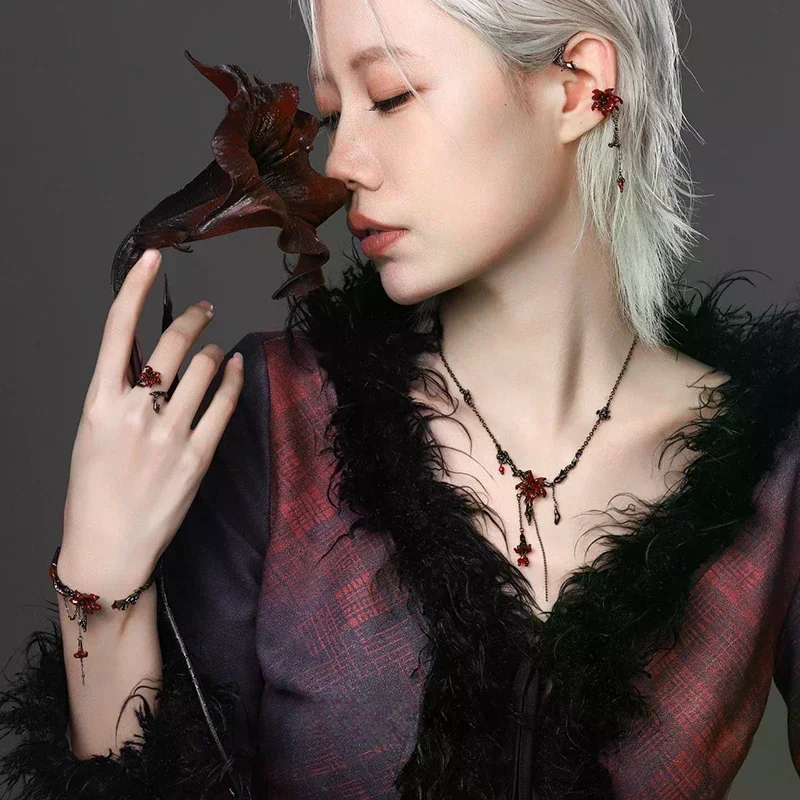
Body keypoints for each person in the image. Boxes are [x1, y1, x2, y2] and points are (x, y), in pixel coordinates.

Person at [2, 0, 799, 798]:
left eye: (389, 97)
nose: (340, 160)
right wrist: (99, 582)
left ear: (578, 87)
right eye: (333, 114)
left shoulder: (775, 472)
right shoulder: (278, 427)